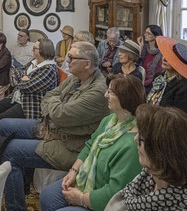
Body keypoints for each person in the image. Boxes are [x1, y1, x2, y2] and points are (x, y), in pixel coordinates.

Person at [0, 42, 109, 211]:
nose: (67, 60)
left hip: (70, 146)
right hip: (52, 128)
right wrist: (54, 107)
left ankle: (16, 206)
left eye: (72, 57)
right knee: (4, 125)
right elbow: (50, 96)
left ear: (87, 64)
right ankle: (21, 182)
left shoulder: (97, 91)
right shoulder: (76, 77)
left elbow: (59, 115)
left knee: (10, 152)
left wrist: (54, 108)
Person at [40, 75, 145, 211]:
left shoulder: (132, 144)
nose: (105, 94)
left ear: (125, 98)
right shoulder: (109, 120)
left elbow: (115, 193)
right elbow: (90, 145)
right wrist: (73, 171)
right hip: (87, 177)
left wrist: (81, 198)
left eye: (111, 92)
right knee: (47, 196)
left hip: (104, 200)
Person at [105, 104, 187, 211]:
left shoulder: (183, 203)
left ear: (163, 154)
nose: (135, 139)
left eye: (142, 137)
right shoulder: (148, 177)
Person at [0, 38, 58, 145]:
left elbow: (27, 86)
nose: (32, 50)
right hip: (20, 96)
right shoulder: (34, 62)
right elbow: (19, 70)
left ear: (43, 51)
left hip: (30, 104)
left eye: (35, 48)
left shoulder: (49, 69)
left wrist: (22, 79)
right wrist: (24, 78)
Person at [146, 36, 187, 117]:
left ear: (180, 65)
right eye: (166, 55)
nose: (164, 59)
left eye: (171, 58)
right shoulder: (159, 77)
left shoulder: (186, 88)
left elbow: (181, 119)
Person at [136, 25, 163, 92]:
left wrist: (142, 84)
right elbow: (137, 65)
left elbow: (157, 76)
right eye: (145, 32)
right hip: (140, 79)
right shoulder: (145, 48)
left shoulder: (160, 53)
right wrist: (140, 48)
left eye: (148, 33)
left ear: (156, 36)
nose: (145, 35)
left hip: (152, 85)